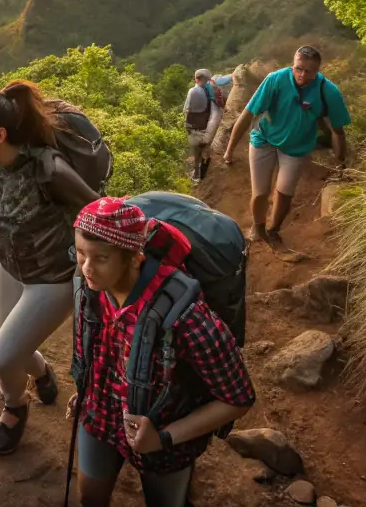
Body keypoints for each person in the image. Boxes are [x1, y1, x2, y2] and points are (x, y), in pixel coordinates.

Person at [67, 198, 255, 507]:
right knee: (90, 498)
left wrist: (164, 438)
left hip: (164, 438)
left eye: (101, 257)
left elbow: (238, 397)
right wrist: (85, 388)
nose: (87, 268)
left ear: (135, 258)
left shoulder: (184, 314)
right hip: (99, 412)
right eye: (81, 254)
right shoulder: (91, 290)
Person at [0, 81, 101, 455]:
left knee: (2, 357)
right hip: (9, 266)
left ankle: (15, 407)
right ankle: (42, 374)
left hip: (52, 277)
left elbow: (99, 213)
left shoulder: (48, 170)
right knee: (15, 345)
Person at [222, 46, 350, 260]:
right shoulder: (275, 80)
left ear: (318, 70)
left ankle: (273, 231)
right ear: (293, 64)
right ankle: (258, 227)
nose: (302, 75)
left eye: (309, 71)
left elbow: (338, 131)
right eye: (298, 69)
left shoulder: (328, 92)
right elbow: (248, 114)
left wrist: (341, 161)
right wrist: (229, 150)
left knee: (284, 192)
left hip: (296, 147)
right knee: (260, 192)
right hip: (263, 139)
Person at [181, 69, 228, 180]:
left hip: (197, 131)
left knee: (196, 154)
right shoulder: (212, 92)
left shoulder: (195, 91)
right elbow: (215, 117)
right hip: (210, 130)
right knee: (205, 153)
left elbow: (186, 110)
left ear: (196, 79)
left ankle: (197, 177)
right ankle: (200, 176)